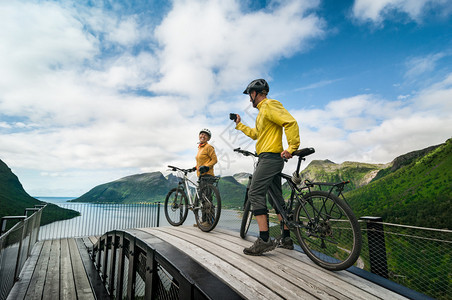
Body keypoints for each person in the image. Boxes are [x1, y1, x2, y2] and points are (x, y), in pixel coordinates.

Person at [233, 79, 300, 256]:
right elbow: (256, 134)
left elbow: (290, 122)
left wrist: (292, 147)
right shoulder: (262, 113)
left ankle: (263, 240)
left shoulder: (270, 105)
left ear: (256, 92)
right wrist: (239, 125)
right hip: (268, 157)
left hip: (270, 158)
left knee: (254, 192)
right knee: (276, 198)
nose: (249, 99)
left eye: (250, 95)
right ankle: (286, 239)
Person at [194, 128, 218, 227]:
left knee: (207, 199)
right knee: (202, 199)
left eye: (205, 135)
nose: (203, 136)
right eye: (201, 134)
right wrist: (195, 167)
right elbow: (200, 162)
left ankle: (209, 222)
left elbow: (214, 160)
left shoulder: (209, 147)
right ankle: (203, 221)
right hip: (201, 176)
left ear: (208, 138)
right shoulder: (200, 148)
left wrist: (207, 166)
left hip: (208, 175)